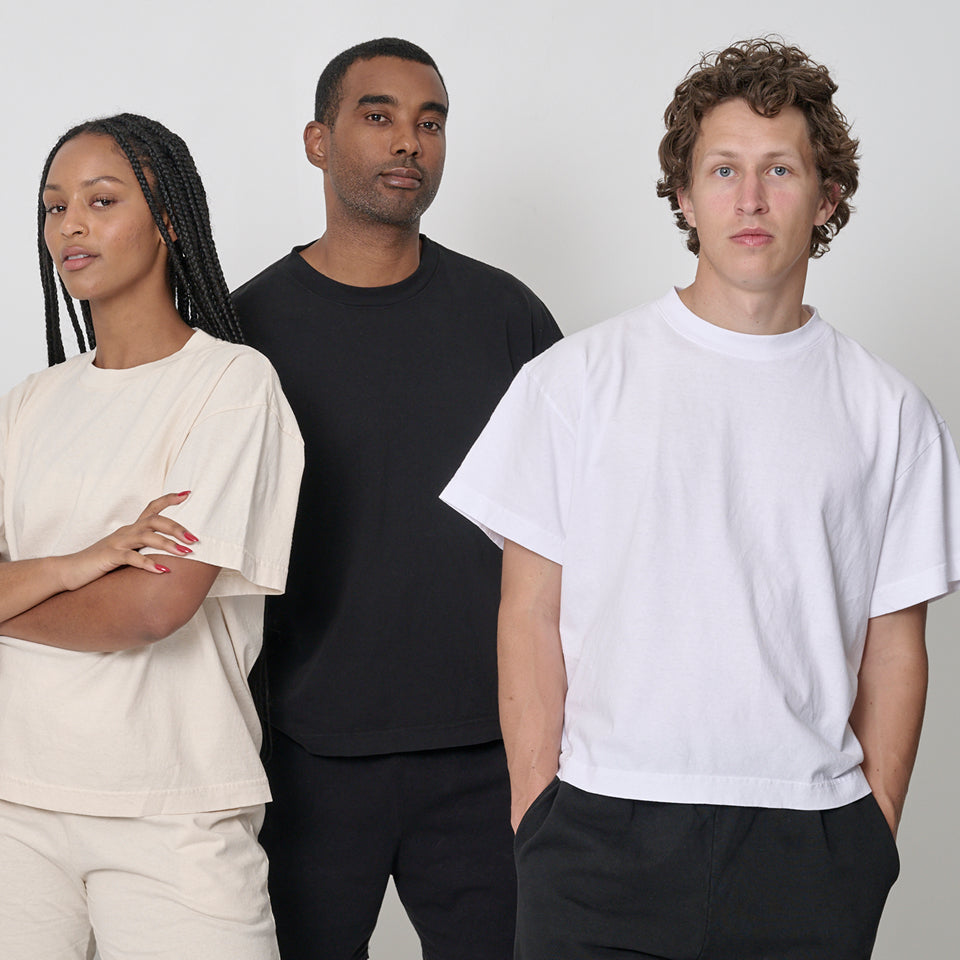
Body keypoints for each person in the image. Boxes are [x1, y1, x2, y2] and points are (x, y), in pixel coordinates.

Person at [440, 38, 960, 959]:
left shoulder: (889, 412)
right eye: (722, 170)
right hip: (598, 828)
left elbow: (896, 648)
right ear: (684, 196)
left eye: (780, 170)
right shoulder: (575, 382)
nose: (749, 199)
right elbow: (528, 614)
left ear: (826, 197)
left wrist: (871, 833)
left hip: (810, 837)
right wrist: (537, 815)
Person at [233, 36, 561, 960]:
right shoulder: (244, 330)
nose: (408, 142)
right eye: (377, 116)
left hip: (490, 755)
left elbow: (585, 527)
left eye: (430, 122)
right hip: (301, 756)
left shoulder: (507, 317)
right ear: (317, 140)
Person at [0, 113, 303, 960]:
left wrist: (15, 590)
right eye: (55, 206)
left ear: (169, 218)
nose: (70, 225)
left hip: (173, 807)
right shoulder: (29, 403)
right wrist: (80, 562)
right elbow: (115, 589)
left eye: (101, 200)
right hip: (14, 801)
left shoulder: (233, 387)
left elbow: (154, 606)